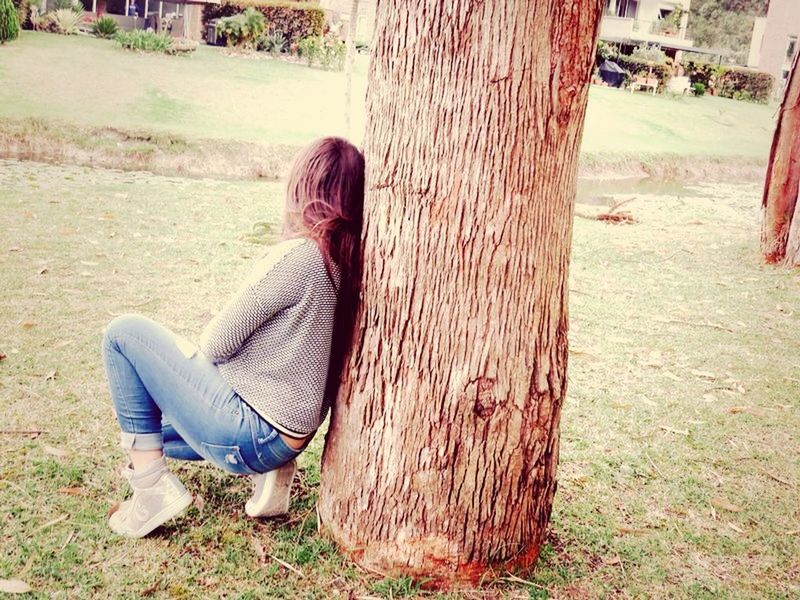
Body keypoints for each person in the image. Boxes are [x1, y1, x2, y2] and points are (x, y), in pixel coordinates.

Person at [101, 137, 365, 538]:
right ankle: (272, 470)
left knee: (122, 334)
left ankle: (151, 492)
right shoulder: (344, 261)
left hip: (251, 432)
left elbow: (217, 342)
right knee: (150, 428)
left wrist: (191, 374)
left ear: (302, 188)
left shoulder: (301, 256)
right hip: (287, 437)